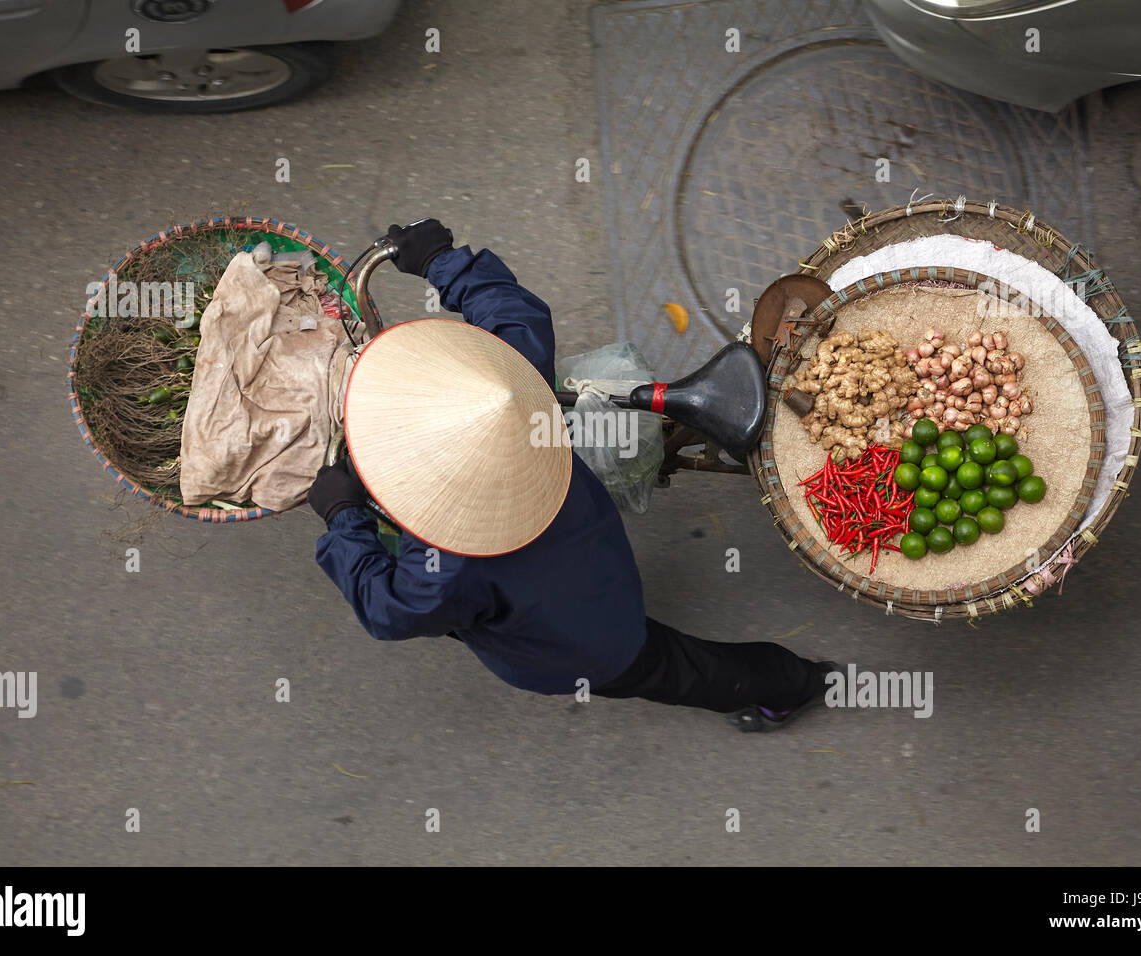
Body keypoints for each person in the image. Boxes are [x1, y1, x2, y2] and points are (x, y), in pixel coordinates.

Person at [308, 218, 835, 732]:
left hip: (582, 642)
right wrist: (441, 262)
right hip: (591, 545)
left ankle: (795, 686)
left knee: (682, 671)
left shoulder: (445, 564)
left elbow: (389, 609)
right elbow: (513, 314)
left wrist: (344, 518)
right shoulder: (514, 392)